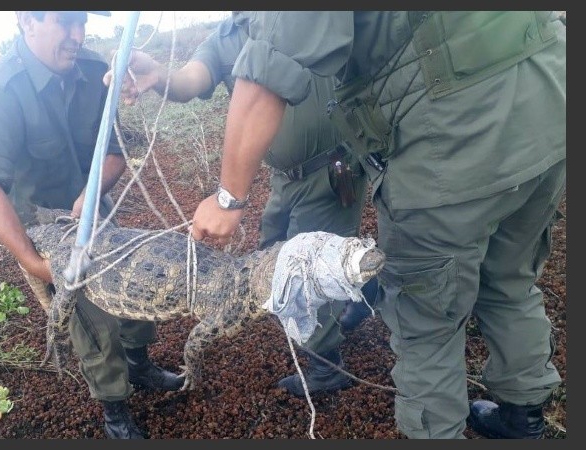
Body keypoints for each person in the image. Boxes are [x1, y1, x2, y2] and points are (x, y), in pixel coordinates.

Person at [189, 11, 566, 439]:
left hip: (455, 145)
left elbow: (269, 70)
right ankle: (524, 416)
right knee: (510, 280)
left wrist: (228, 197)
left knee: (426, 320)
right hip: (550, 111)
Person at [104, 16, 379, 397]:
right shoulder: (227, 35)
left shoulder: (294, 19)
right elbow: (191, 79)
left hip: (330, 171)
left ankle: (326, 367)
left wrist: (227, 197)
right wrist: (157, 74)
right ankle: (366, 289)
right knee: (271, 253)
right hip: (283, 176)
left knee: (303, 272)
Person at [0, 11, 183, 439]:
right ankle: (116, 411)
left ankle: (139, 364)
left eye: (82, 21)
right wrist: (32, 260)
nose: (78, 35)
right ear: (27, 20)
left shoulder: (97, 72)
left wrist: (90, 194)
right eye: (65, 22)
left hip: (95, 210)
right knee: (94, 321)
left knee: (135, 288)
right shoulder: (3, 89)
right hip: (46, 229)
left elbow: (116, 152)